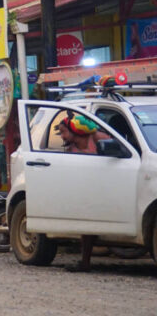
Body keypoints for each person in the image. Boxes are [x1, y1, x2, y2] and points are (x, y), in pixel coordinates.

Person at [54, 113, 110, 272]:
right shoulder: (71, 149)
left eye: (64, 132)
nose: (62, 137)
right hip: (87, 191)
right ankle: (85, 261)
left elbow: (120, 153)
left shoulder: (98, 138)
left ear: (75, 130)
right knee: (86, 228)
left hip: (106, 188)